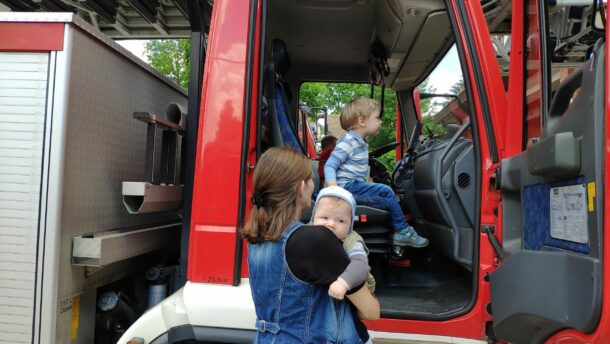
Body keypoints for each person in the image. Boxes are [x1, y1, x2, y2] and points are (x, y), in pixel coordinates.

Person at [242, 147, 380, 344]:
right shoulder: (315, 240)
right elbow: (371, 311)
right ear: (301, 187)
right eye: (311, 178)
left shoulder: (257, 238)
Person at [324, 96, 429, 248]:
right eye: (377, 118)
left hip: (354, 186)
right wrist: (335, 191)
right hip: (346, 189)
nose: (380, 122)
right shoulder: (348, 142)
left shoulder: (360, 143)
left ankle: (399, 230)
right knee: (386, 190)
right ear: (362, 121)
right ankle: (403, 231)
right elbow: (330, 166)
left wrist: (367, 182)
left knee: (386, 200)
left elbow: (355, 169)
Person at [311, 186, 376, 299]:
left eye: (341, 220)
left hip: (351, 287)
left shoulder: (351, 240)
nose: (331, 224)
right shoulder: (306, 233)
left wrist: (343, 283)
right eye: (325, 218)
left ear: (350, 225)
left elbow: (360, 264)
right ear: (313, 218)